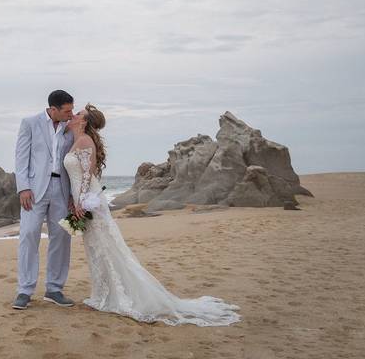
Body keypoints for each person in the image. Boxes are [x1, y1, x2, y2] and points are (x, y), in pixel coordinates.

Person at [62, 104, 241, 326]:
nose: (75, 115)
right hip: (83, 200)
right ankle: (102, 293)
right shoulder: (77, 141)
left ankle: (113, 296)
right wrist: (74, 199)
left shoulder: (84, 141)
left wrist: (81, 201)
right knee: (96, 247)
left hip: (89, 200)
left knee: (104, 246)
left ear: (84, 122)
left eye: (79, 114)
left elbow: (87, 176)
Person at [11, 90, 77, 310]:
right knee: (29, 235)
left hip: (62, 188)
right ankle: (24, 290)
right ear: (53, 109)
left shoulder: (71, 127)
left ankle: (54, 289)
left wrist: (73, 195)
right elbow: (21, 157)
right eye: (67, 110)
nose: (71, 114)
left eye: (72, 110)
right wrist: (23, 188)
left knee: (61, 237)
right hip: (34, 189)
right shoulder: (30, 123)